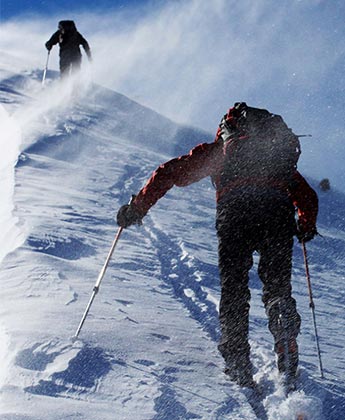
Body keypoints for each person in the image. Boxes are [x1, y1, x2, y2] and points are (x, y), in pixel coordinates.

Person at [117, 102, 318, 389]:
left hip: (234, 212)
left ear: (228, 127)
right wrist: (306, 225)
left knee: (234, 286)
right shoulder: (275, 157)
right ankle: (283, 322)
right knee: (277, 285)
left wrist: (137, 208)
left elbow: (169, 173)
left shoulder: (221, 151)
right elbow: (307, 196)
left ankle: (237, 358)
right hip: (276, 211)